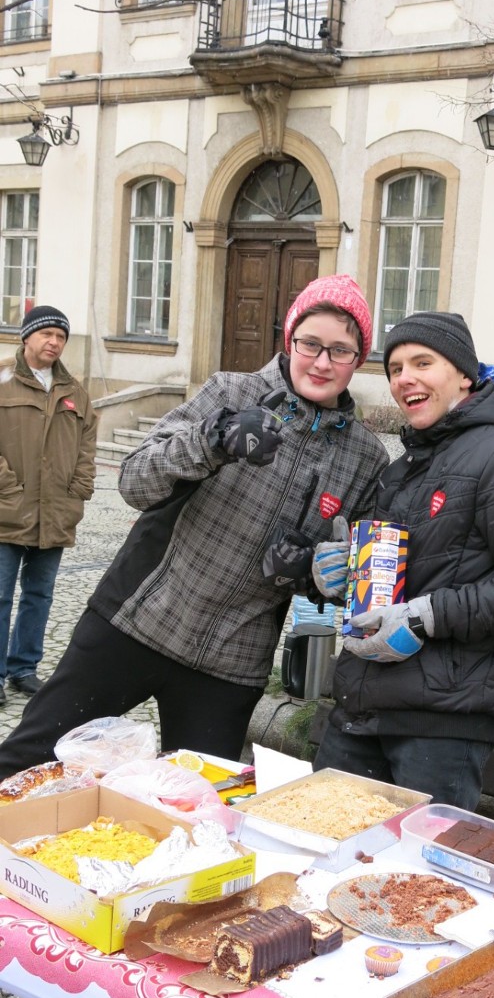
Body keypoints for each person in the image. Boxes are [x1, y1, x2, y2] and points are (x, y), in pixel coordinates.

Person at [0, 275, 388, 778]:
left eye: (341, 351)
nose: (321, 362)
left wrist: (314, 573)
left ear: (358, 360)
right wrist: (213, 439)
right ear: (289, 339)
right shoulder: (231, 391)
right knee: (30, 762)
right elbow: (136, 481)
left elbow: (350, 577)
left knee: (200, 809)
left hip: (231, 662)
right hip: (137, 621)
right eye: (310, 343)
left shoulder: (365, 456)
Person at [310, 311, 494, 809]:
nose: (404, 378)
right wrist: (346, 574)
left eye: (422, 362)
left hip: (442, 723)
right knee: (320, 855)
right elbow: (405, 575)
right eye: (394, 368)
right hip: (363, 706)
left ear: (463, 374)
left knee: (418, 883)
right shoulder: (404, 469)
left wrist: (426, 615)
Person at [0, 306, 97, 707]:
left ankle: (23, 668)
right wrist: (6, 487)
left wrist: (78, 490)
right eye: (47, 335)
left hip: (56, 512)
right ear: (27, 337)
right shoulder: (3, 381)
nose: (54, 342)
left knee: (39, 595)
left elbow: (87, 445)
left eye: (61, 337)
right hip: (6, 510)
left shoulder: (74, 391)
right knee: (1, 596)